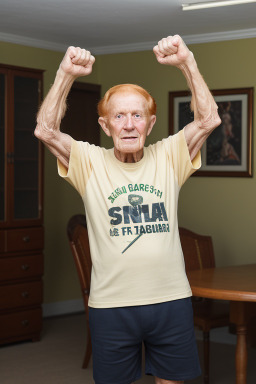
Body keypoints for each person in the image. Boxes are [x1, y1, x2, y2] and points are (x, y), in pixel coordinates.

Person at [35, 35, 221, 384]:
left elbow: (208, 120)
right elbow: (45, 131)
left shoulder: (169, 155)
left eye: (138, 115)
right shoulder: (89, 162)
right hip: (111, 307)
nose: (129, 124)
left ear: (150, 125)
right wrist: (65, 74)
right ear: (105, 126)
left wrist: (187, 62)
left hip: (171, 301)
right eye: (119, 116)